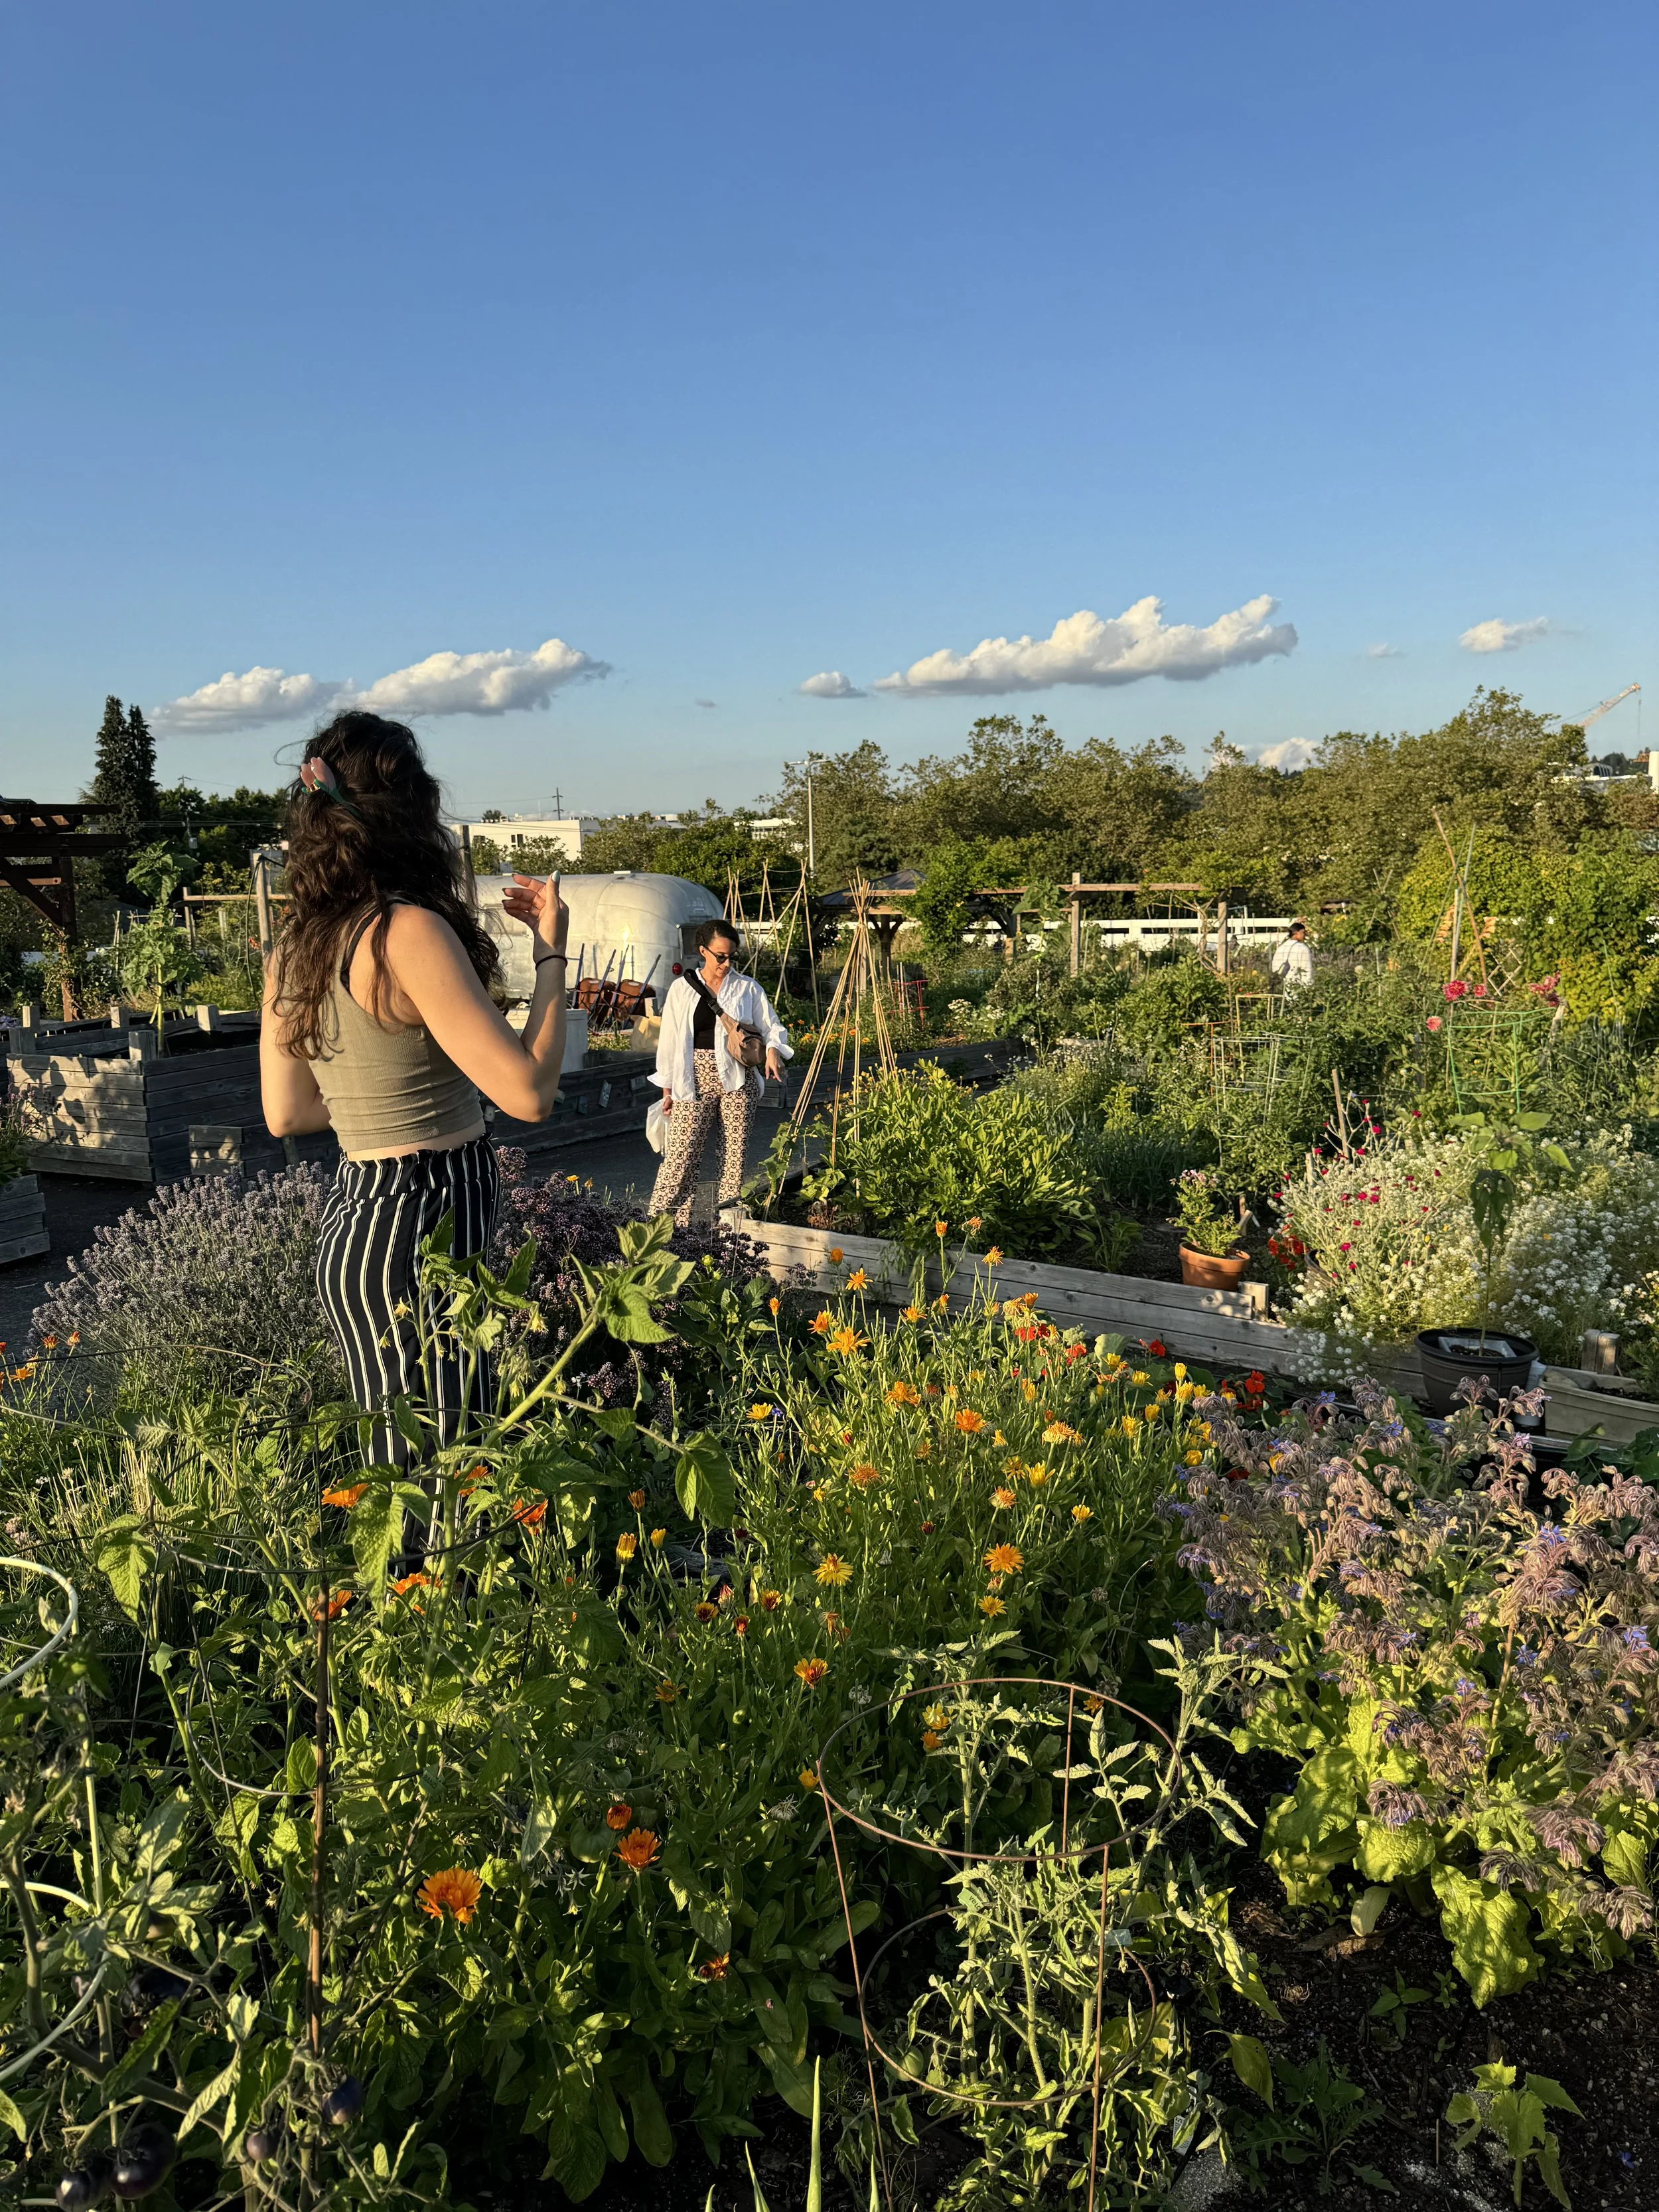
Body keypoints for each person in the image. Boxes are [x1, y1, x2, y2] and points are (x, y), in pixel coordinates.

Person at [259, 710, 568, 1464]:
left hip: (358, 1221)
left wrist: (379, 1094)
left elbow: (288, 1113)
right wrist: (554, 956)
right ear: (410, 811)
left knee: (404, 1473)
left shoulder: (294, 949)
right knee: (448, 1485)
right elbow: (528, 1095)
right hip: (427, 1215)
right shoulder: (407, 931)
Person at [649, 919, 791, 1225]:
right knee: (680, 1158)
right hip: (692, 1078)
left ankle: (726, 1232)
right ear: (703, 951)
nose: (726, 964)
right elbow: (670, 1041)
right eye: (720, 956)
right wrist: (667, 1089)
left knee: (733, 1159)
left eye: (731, 957)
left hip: (737, 1079)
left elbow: (772, 1027)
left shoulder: (746, 988)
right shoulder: (682, 989)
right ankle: (656, 1227)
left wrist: (772, 1051)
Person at [1270, 917, 1314, 992]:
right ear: (1296, 933)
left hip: (1283, 986)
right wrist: (1308, 987)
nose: (1304, 935)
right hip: (1298, 986)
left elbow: (1275, 967)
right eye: (1303, 932)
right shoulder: (1302, 948)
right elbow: (1307, 969)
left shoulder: (1281, 948)